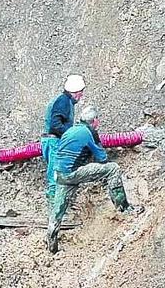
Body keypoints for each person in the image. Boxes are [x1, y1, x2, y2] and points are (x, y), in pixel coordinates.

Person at [47, 105, 143, 253]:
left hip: (59, 173)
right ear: (94, 121)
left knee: (59, 209)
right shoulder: (88, 132)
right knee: (113, 169)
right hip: (73, 172)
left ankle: (51, 244)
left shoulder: (71, 130)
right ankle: (124, 209)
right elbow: (102, 158)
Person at [41, 74, 85, 204]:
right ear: (76, 92)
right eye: (81, 93)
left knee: (58, 175)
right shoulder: (63, 102)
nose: (81, 96)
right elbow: (56, 125)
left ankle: (58, 208)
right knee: (56, 176)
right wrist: (72, 135)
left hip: (52, 141)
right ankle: (55, 211)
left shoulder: (63, 101)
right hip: (54, 142)